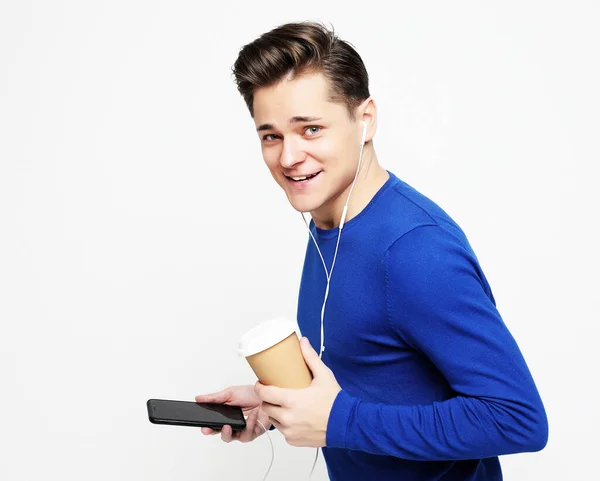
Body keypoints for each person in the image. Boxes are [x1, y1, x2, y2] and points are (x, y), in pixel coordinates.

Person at [195, 21, 548, 481]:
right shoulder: (329, 219)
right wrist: (279, 405)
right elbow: (379, 373)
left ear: (365, 120)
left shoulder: (415, 251)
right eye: (271, 136)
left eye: (311, 129)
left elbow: (518, 418)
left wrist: (341, 421)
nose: (288, 158)